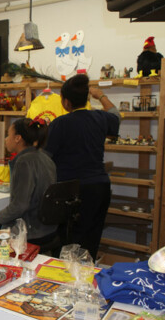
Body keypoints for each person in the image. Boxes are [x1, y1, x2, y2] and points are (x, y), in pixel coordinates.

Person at [44, 74, 120, 259]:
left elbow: (46, 158)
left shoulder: (60, 123)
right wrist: (100, 95)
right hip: (100, 187)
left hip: (72, 192)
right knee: (90, 243)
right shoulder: (100, 117)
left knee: (67, 244)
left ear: (66, 102)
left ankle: (65, 283)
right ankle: (85, 281)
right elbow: (116, 115)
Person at [0, 118, 58, 247]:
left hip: (29, 230)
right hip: (47, 228)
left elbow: (20, 206)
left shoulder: (24, 162)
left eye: (8, 135)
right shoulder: (45, 158)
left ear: (18, 138)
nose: (6, 139)